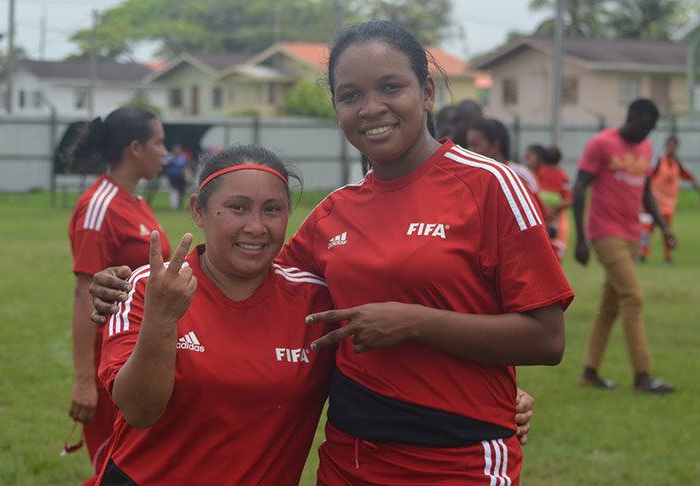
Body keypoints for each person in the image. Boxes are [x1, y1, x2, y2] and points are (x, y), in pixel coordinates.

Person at [90, 21, 562, 485]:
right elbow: (251, 276)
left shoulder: (490, 185)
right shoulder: (336, 212)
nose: (371, 108)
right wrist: (129, 286)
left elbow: (546, 339)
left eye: (391, 87)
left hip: (458, 456)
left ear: (427, 92)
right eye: (350, 95)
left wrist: (417, 324)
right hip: (351, 457)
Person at [95, 145, 338, 485]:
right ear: (198, 210)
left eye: (272, 210)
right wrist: (162, 319)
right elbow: (139, 411)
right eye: (237, 208)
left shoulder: (317, 302)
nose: (256, 227)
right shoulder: (151, 286)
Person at [67, 106, 172, 485]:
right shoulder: (99, 205)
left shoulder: (137, 203)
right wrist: (83, 380)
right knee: (117, 472)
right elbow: (84, 294)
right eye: (159, 143)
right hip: (108, 366)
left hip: (143, 355)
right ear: (135, 148)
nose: (166, 152)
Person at [573, 98, 676, 393]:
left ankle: (590, 371)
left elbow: (645, 191)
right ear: (630, 119)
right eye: (643, 127)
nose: (646, 135)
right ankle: (642, 375)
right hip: (605, 233)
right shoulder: (601, 144)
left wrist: (665, 228)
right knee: (633, 295)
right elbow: (579, 187)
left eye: (651, 130)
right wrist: (581, 239)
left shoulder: (645, 149)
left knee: (610, 306)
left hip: (632, 234)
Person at [639, 134, 699, 264]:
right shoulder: (659, 161)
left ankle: (667, 257)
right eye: (669, 145)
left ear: (677, 147)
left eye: (674, 146)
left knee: (666, 231)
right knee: (646, 230)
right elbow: (647, 177)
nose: (671, 148)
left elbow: (691, 177)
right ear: (666, 146)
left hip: (668, 205)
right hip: (653, 203)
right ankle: (642, 255)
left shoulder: (679, 163)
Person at [467, 117, 541, 195]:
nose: (469, 150)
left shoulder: (517, 175)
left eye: (474, 145)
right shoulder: (473, 176)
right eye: (468, 145)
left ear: (495, 145)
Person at [526, 145, 572, 262]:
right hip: (540, 231)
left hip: (556, 233)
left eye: (529, 157)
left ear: (541, 159)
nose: (527, 161)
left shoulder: (538, 176)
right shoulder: (561, 174)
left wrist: (547, 209)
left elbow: (569, 199)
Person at [163, 143, 189, 210]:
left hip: (180, 177)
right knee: (174, 191)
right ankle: (174, 207)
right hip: (172, 177)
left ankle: (180, 205)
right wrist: (172, 160)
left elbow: (185, 168)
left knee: (182, 192)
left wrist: (186, 177)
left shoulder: (182, 158)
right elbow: (165, 163)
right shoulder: (169, 156)